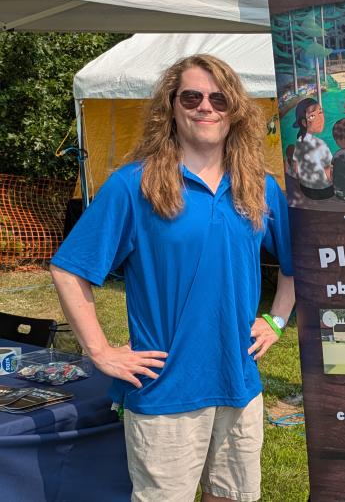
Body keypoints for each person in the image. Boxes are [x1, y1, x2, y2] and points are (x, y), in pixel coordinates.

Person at [49, 54, 295, 502]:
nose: (206, 107)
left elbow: (299, 265)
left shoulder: (259, 186)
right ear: (172, 105)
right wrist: (99, 351)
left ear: (234, 109)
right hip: (164, 391)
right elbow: (68, 269)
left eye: (219, 98)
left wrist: (277, 321)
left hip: (239, 383)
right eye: (192, 96)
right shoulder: (134, 185)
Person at [290, 98, 334, 200]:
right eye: (312, 116)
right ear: (304, 123)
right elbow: (328, 173)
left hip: (305, 189)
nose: (320, 119)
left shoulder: (299, 141)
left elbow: (296, 168)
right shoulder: (321, 144)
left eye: (320, 112)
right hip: (324, 191)